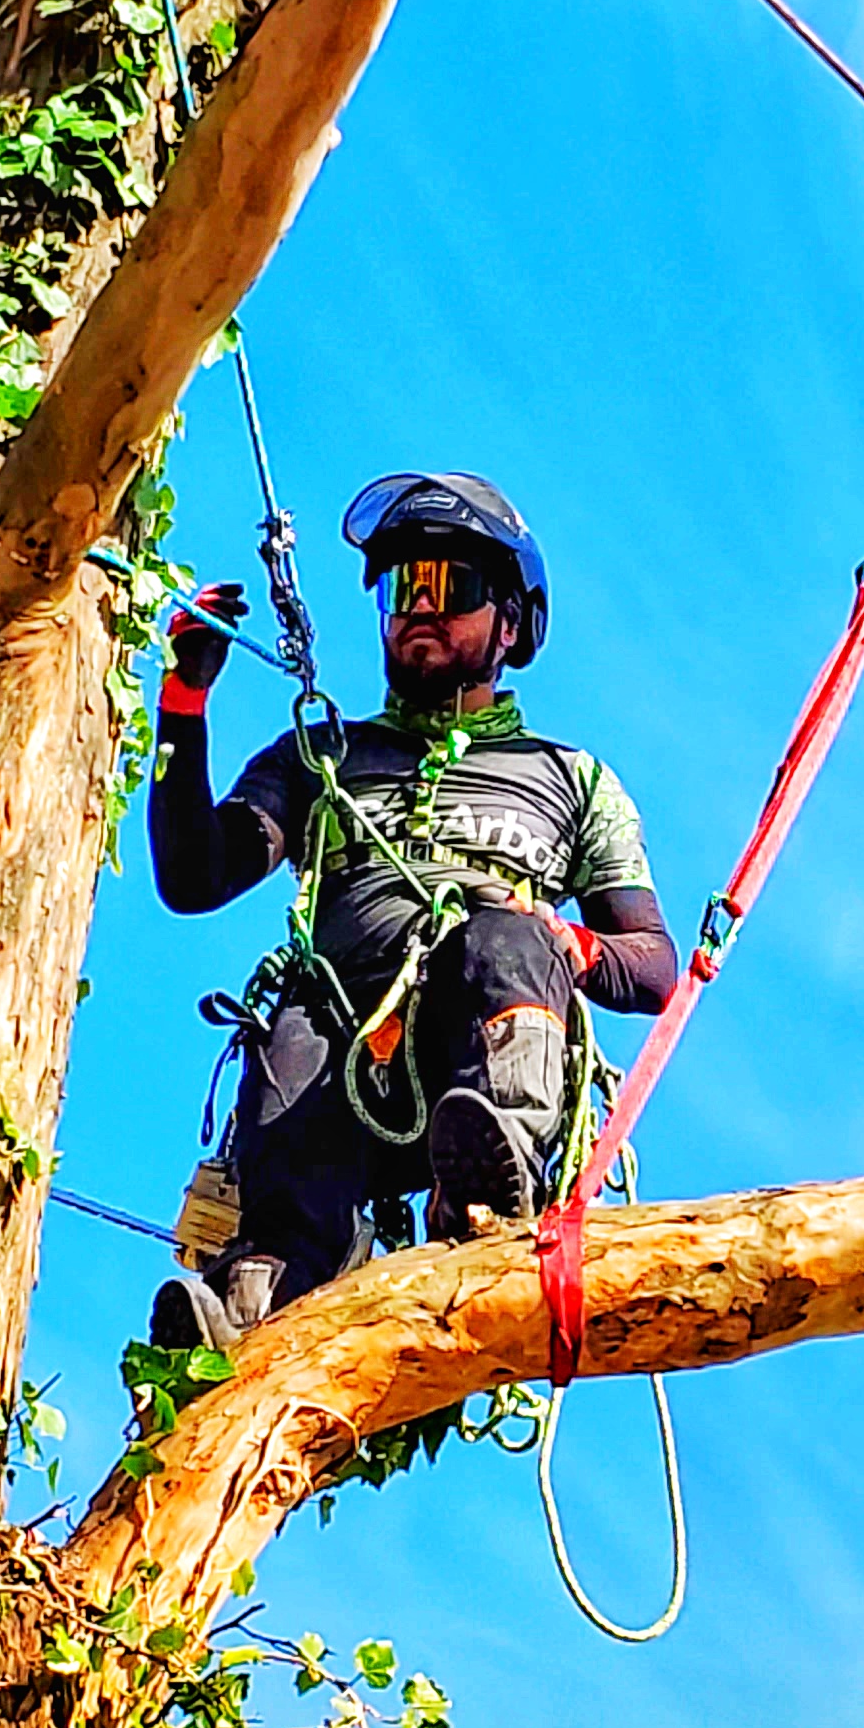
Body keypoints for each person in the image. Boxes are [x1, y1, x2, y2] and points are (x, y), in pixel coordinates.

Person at [144, 470, 678, 1346]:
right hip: (346, 1056)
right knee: (295, 1031)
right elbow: (195, 875)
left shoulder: (569, 780)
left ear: (511, 624)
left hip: (479, 1045)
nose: (421, 607)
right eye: (404, 587)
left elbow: (653, 966)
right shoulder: (324, 755)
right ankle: (261, 1297)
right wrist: (183, 703)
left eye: (450, 586)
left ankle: (490, 1178)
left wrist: (564, 941)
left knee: (503, 936)